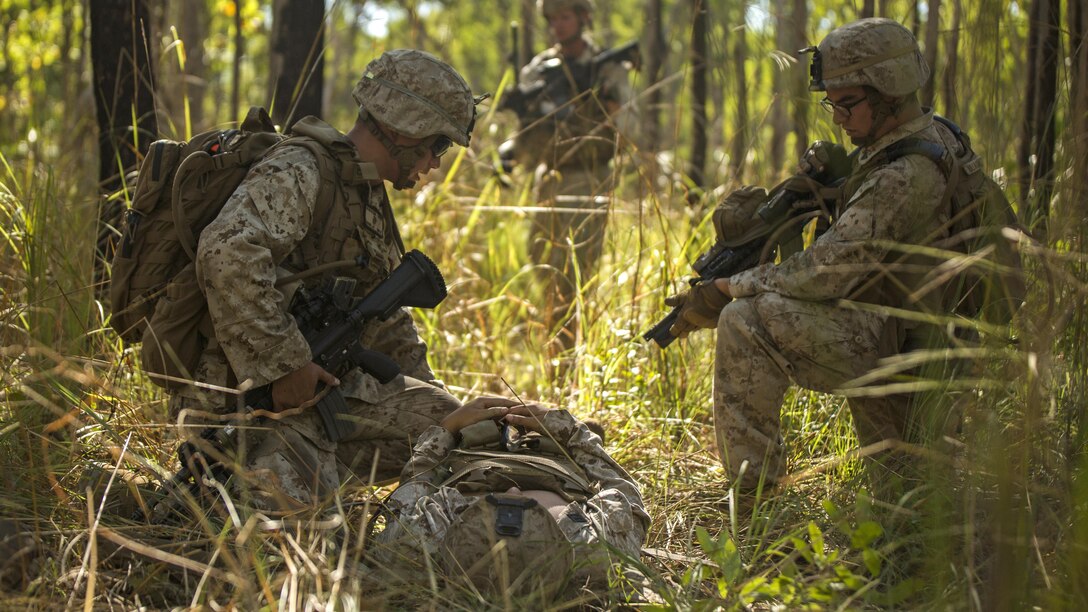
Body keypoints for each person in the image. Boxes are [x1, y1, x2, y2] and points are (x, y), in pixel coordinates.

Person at [666, 18, 1001, 498]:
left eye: (847, 104)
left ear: (888, 93)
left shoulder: (905, 173)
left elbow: (826, 272)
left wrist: (727, 288)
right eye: (832, 103)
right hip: (918, 334)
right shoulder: (933, 135)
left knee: (744, 319)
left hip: (905, 350)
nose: (838, 118)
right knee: (906, 504)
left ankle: (752, 497)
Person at [170, 50, 485, 513]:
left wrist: (430, 395)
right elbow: (226, 252)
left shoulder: (363, 192)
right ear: (403, 128)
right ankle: (246, 495)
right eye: (436, 145)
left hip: (317, 396)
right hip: (241, 400)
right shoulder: (302, 169)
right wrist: (286, 365)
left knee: (457, 432)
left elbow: (384, 312)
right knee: (294, 543)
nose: (435, 163)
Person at [368, 397, 649, 601]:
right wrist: (572, 430)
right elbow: (624, 495)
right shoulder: (594, 557)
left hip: (475, 462)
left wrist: (448, 428)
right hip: (553, 467)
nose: (513, 496)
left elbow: (417, 482)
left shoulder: (417, 546)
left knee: (480, 431)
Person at [502, 0, 636, 351]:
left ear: (583, 18)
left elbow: (630, 127)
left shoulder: (607, 68)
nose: (558, 25)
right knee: (540, 257)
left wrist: (608, 109)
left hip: (589, 177)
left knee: (579, 267)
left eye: (566, 17)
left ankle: (572, 348)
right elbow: (525, 129)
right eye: (553, 18)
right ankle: (554, 336)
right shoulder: (541, 68)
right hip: (549, 175)